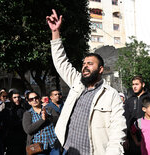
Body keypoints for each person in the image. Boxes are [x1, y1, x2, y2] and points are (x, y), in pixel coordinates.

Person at [47, 9, 126, 155]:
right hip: (66, 149)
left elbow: (118, 130)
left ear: (100, 69)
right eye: (84, 63)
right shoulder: (77, 83)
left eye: (90, 63)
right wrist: (55, 32)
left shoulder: (111, 95)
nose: (85, 66)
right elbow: (61, 62)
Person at [124, 75, 150, 155]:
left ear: (143, 84)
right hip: (132, 138)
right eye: (133, 84)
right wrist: (125, 137)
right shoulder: (129, 100)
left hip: (149, 137)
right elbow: (126, 119)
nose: (134, 87)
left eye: (137, 84)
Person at [2, 90, 26, 155]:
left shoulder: (23, 109)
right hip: (11, 140)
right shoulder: (6, 111)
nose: (17, 99)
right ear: (10, 99)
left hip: (23, 139)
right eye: (14, 97)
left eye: (18, 97)